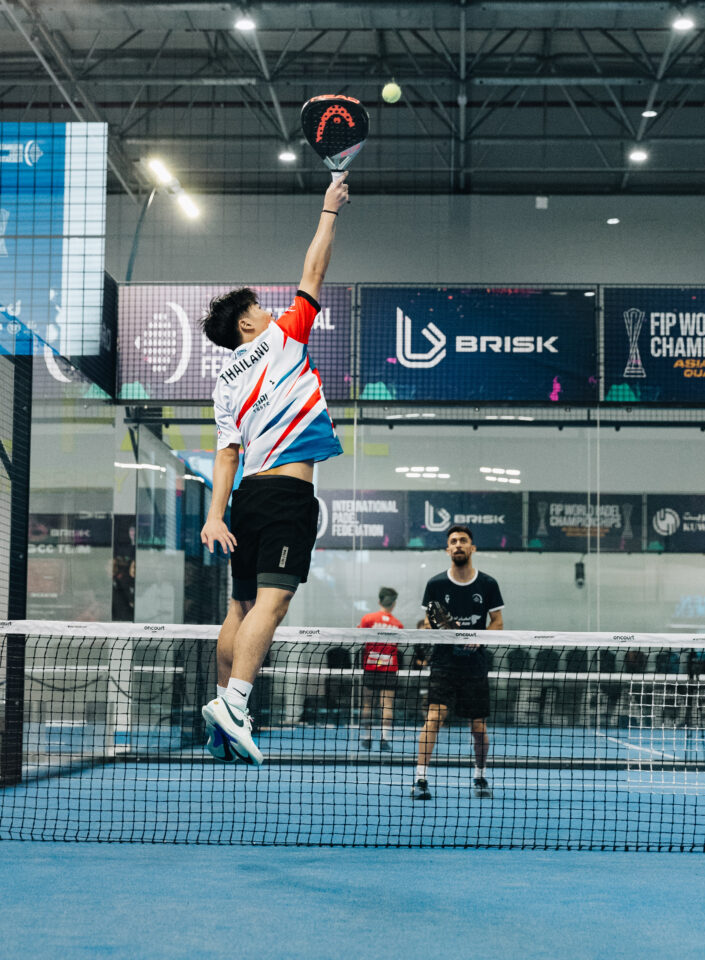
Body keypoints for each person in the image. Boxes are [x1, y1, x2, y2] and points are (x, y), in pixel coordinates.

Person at [199, 173, 350, 765]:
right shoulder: (283, 337)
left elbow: (227, 454)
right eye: (259, 307)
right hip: (288, 497)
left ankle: (221, 706)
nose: (268, 310)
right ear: (247, 324)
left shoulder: (222, 383)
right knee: (274, 603)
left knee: (238, 608)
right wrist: (329, 209)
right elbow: (314, 272)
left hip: (245, 502)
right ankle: (236, 705)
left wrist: (215, 516)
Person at [412, 525, 504, 801]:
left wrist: (478, 638)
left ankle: (480, 775)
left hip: (475, 666)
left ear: (472, 548)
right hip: (443, 664)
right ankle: (420, 779)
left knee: (478, 727)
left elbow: (498, 623)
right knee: (433, 718)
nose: (458, 545)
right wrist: (441, 629)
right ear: (447, 549)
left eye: (463, 541)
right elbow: (428, 620)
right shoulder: (436, 584)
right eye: (453, 541)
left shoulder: (487, 584)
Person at [358, 586, 404, 751]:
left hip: (371, 667)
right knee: (387, 705)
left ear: (379, 601)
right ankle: (384, 739)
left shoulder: (368, 619)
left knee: (367, 704)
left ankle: (368, 738)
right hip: (389, 669)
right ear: (394, 603)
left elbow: (360, 637)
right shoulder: (398, 625)